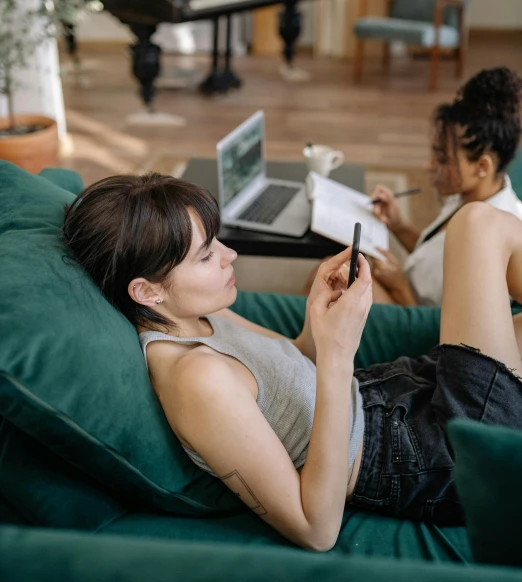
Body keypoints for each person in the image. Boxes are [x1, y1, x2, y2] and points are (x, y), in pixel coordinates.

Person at [62, 172, 522, 552]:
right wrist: (339, 354)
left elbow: (294, 361)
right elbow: (315, 529)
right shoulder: (195, 379)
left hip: (399, 393)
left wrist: (316, 319)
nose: (230, 255)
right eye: (207, 256)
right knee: (476, 225)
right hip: (435, 453)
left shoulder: (197, 311)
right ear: (147, 291)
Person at [371, 67, 522, 306]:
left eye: (442, 159)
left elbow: (451, 336)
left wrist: (400, 286)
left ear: (481, 166)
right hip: (408, 298)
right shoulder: (469, 195)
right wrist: (398, 226)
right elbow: (433, 259)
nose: (429, 166)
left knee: (330, 282)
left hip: (417, 326)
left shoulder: (486, 244)